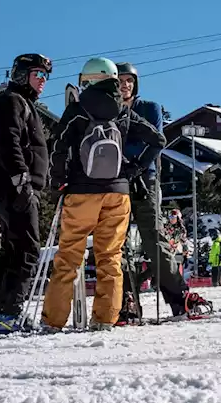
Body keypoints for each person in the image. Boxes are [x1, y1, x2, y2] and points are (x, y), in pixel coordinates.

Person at [44, 58, 166, 332]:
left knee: (69, 257)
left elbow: (59, 148)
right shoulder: (123, 111)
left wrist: (58, 182)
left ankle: (54, 321)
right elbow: (158, 140)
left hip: (81, 192)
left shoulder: (77, 110)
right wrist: (134, 169)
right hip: (118, 193)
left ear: (88, 80)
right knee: (110, 258)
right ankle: (105, 319)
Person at [115, 61, 198, 320]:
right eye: (120, 80)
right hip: (116, 183)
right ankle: (126, 301)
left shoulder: (149, 108)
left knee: (155, 241)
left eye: (129, 80)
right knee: (119, 244)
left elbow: (155, 143)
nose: (125, 84)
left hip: (145, 181)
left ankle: (179, 297)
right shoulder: (108, 112)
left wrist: (136, 165)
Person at [0, 53, 52, 335]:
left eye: (46, 76)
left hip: (16, 185)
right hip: (16, 185)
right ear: (22, 74)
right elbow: (8, 143)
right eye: (38, 74)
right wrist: (21, 181)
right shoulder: (12, 102)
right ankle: (7, 314)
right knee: (27, 250)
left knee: (12, 250)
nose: (43, 81)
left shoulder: (23, 103)